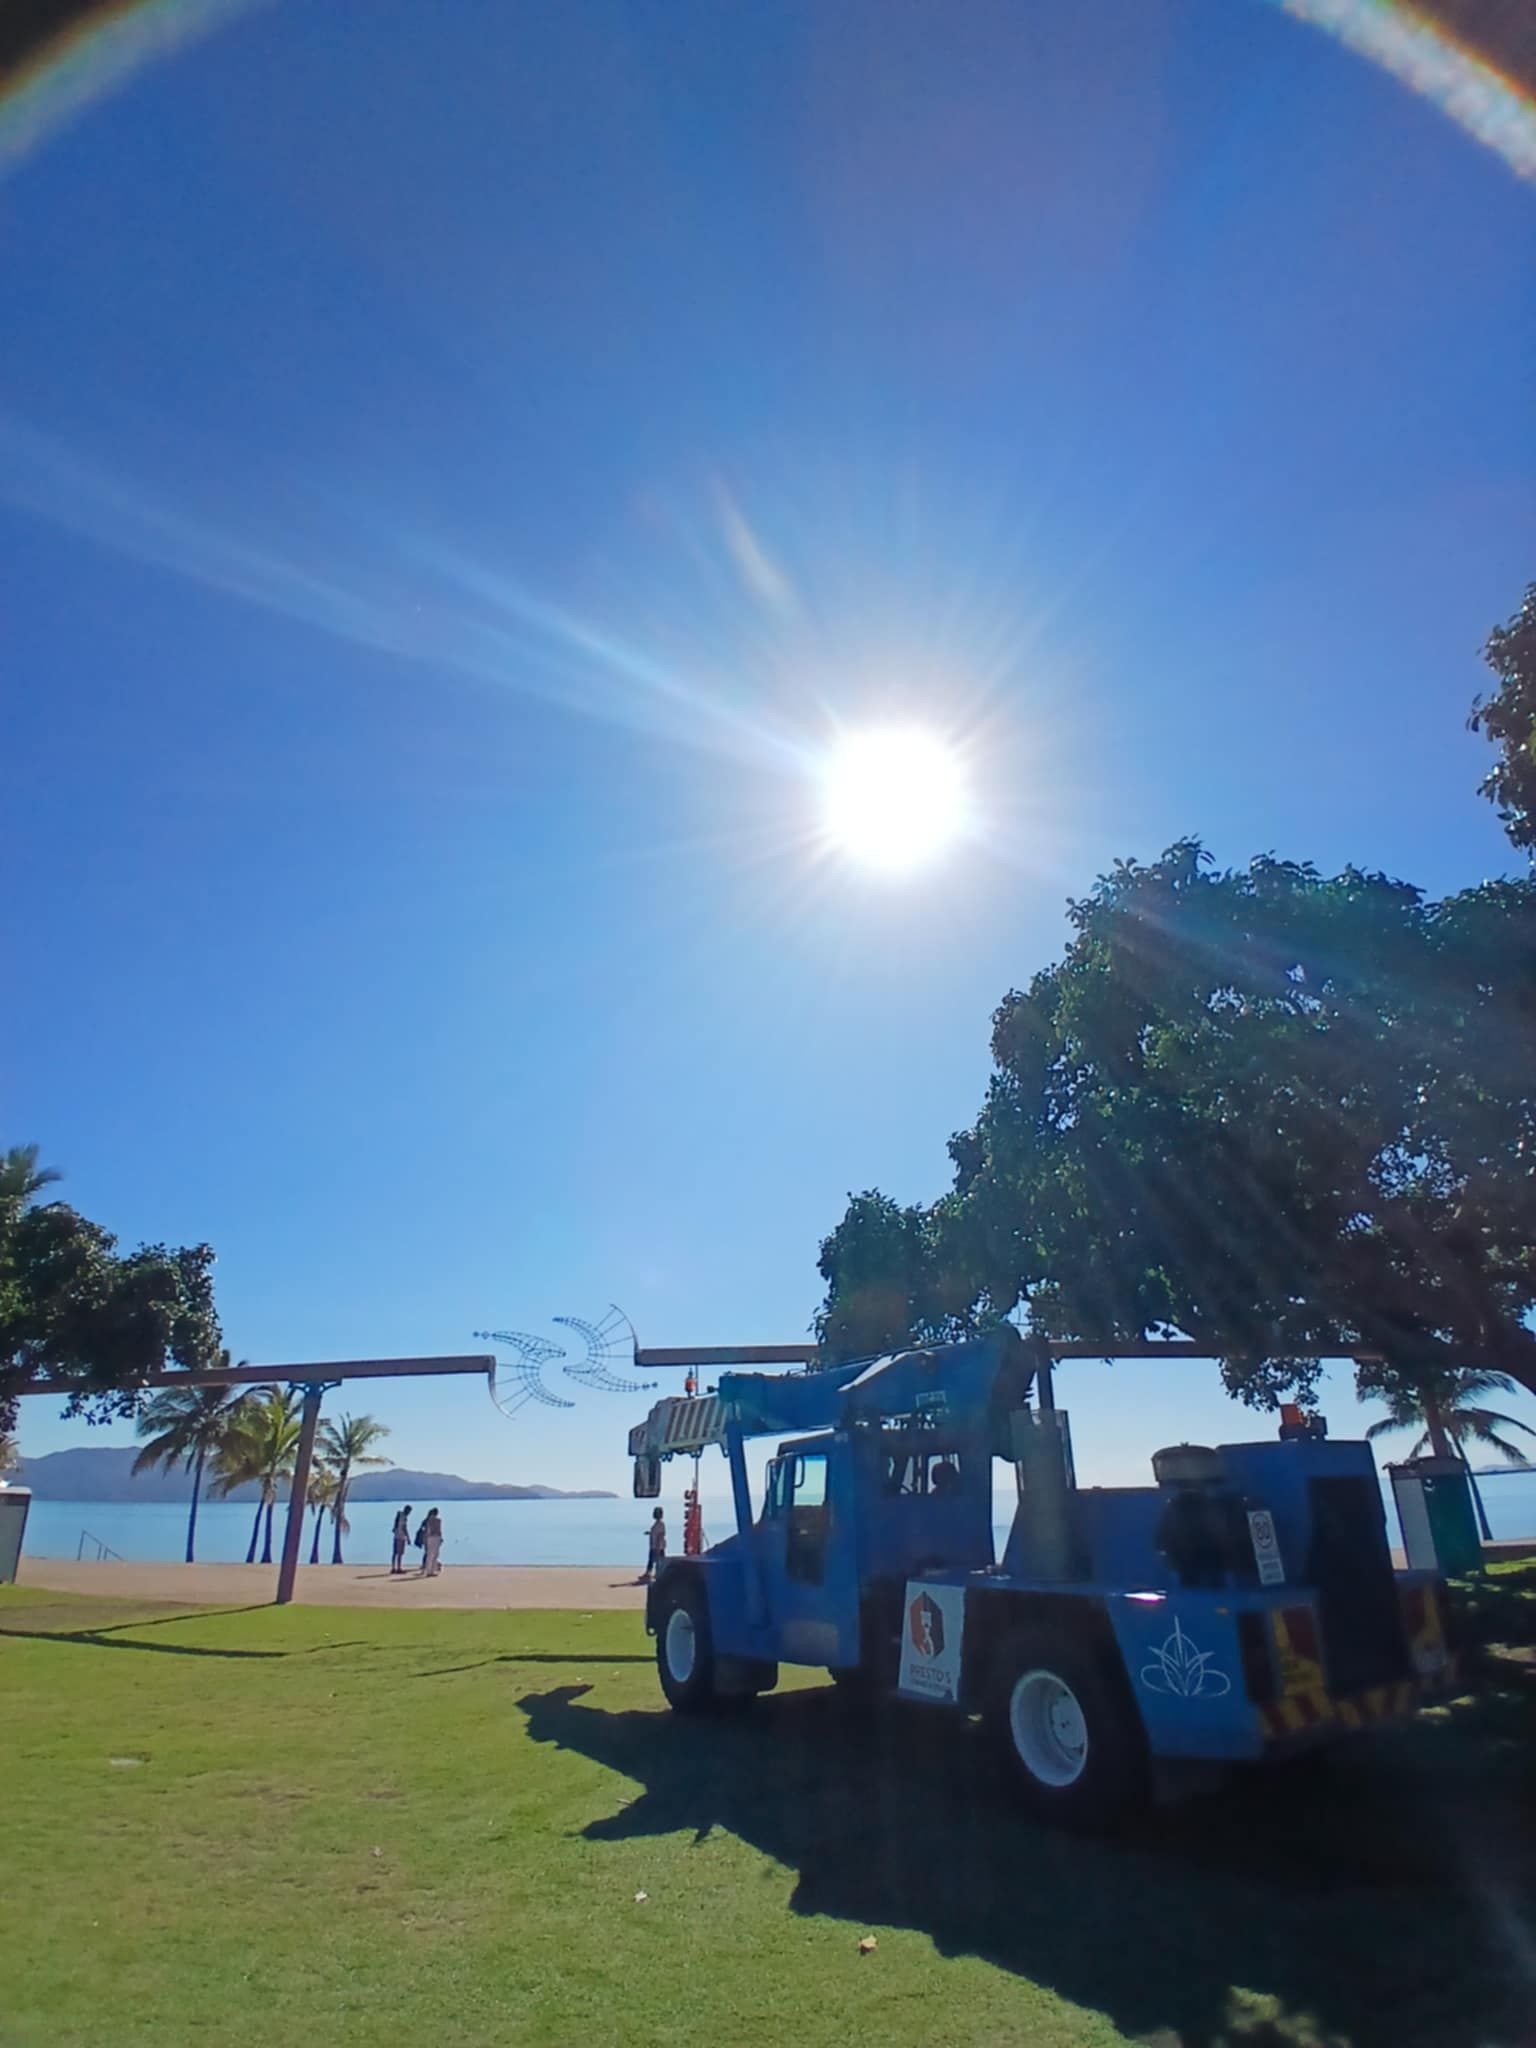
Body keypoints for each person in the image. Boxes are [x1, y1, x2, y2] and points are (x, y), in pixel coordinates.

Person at [416, 1507, 444, 1577]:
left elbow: (427, 1530)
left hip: (430, 1538)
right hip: (435, 1537)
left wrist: (425, 1539)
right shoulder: (438, 1520)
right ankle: (431, 1570)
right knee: (435, 1554)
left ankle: (429, 1570)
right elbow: (439, 1530)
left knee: (429, 1554)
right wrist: (441, 1538)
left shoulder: (428, 1520)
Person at [642, 1505, 666, 1582]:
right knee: (652, 1560)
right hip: (655, 1545)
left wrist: (657, 1547)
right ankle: (650, 1573)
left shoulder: (660, 1524)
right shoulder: (657, 1524)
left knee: (657, 1560)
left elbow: (660, 1535)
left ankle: (657, 1573)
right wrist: (650, 1533)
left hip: (657, 1546)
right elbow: (656, 1533)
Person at [391, 1504, 413, 1575]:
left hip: (396, 1535)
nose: (409, 1513)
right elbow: (404, 1528)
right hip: (401, 1536)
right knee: (400, 1553)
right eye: (409, 1512)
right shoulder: (404, 1517)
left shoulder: (399, 1515)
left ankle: (393, 1568)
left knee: (395, 1553)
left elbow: (395, 1525)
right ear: (407, 1510)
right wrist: (408, 1538)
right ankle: (399, 1568)